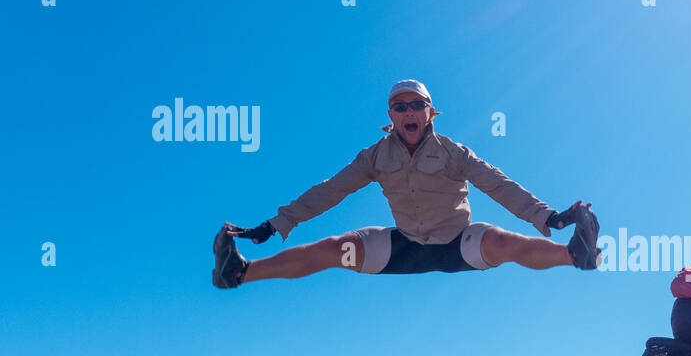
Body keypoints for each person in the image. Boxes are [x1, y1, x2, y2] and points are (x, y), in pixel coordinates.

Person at [212, 79, 600, 288]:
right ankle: (240, 272)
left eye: (417, 105)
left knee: (502, 241)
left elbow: (499, 185)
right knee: (336, 249)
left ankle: (575, 255)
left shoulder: (454, 153)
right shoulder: (375, 157)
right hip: (403, 246)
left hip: (457, 244)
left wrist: (550, 218)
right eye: (400, 107)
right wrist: (276, 224)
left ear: (430, 113)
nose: (409, 111)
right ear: (391, 116)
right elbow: (330, 190)